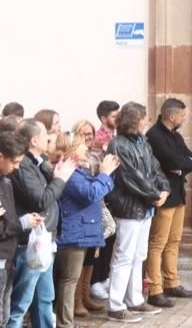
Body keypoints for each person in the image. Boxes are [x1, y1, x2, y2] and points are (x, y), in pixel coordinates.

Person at [105, 102, 170, 323]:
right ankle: (115, 305)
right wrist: (154, 194)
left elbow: (155, 168)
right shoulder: (118, 145)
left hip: (146, 207)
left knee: (138, 255)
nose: (147, 120)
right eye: (144, 117)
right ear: (134, 120)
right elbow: (131, 178)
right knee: (124, 256)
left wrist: (164, 189)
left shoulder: (143, 142)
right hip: (129, 207)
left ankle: (134, 299)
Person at [8, 119, 77, 328]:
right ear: (35, 140)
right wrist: (60, 179)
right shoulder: (23, 166)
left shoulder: (39, 161)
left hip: (46, 238)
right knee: (22, 302)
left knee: (45, 298)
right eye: (46, 134)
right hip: (30, 242)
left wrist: (57, 175)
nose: (50, 137)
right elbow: (41, 200)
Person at [52, 133, 118, 328]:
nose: (86, 151)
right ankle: (65, 323)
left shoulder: (79, 171)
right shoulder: (71, 174)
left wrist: (108, 172)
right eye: (82, 148)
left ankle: (67, 321)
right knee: (69, 279)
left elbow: (100, 189)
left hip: (81, 231)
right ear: (73, 151)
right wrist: (105, 174)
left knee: (71, 278)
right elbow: (90, 194)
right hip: (73, 232)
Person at [145, 98, 192, 307]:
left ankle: (171, 282)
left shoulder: (175, 135)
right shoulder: (154, 136)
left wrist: (181, 167)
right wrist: (180, 165)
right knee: (158, 242)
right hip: (163, 195)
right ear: (172, 116)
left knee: (174, 240)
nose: (184, 119)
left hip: (178, 193)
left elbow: (191, 159)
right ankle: (155, 288)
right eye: (182, 115)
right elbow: (172, 161)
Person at [0, 132, 44, 327]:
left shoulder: (6, 181)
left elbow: (7, 219)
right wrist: (22, 223)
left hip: (8, 256)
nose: (17, 168)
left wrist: (21, 221)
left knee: (5, 310)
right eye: (14, 162)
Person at [70, 120, 107, 316]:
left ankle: (85, 296)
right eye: (84, 134)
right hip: (83, 214)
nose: (88, 138)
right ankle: (76, 301)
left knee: (92, 256)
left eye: (90, 134)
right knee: (79, 261)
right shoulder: (77, 159)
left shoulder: (96, 155)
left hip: (96, 211)